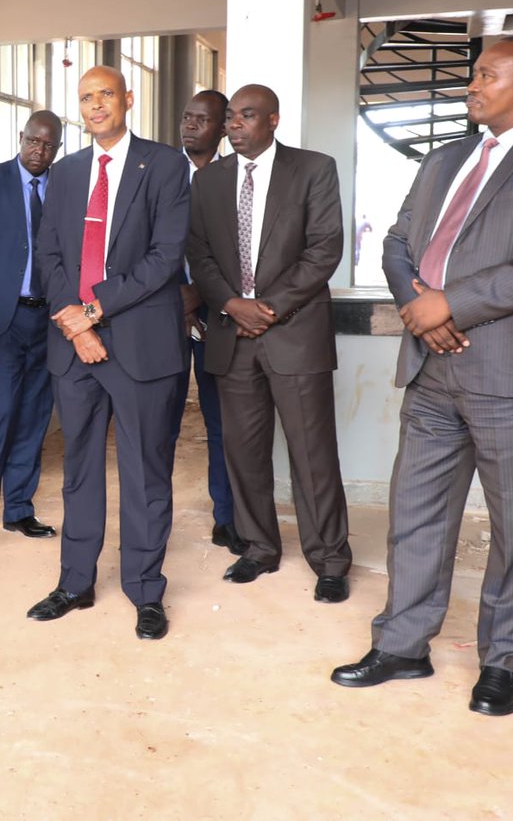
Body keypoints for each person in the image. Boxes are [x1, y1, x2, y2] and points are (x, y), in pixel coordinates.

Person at [331, 36, 513, 717]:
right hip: (432, 370)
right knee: (416, 512)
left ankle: (505, 662)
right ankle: (402, 644)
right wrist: (420, 311)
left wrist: (449, 304)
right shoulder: (445, 158)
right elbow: (399, 243)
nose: (472, 85)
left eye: (487, 75)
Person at [27, 65, 189, 641]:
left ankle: (146, 591)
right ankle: (75, 582)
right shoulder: (68, 173)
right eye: (85, 98)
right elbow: (49, 255)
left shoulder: (166, 164)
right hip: (75, 348)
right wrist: (77, 325)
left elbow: (166, 256)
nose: (95, 105)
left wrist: (94, 311)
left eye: (105, 95)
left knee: (146, 472)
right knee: (79, 470)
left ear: (128, 99)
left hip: (142, 344)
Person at [186, 84, 352, 602]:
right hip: (232, 335)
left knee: (312, 453)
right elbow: (199, 251)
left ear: (274, 120)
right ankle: (258, 548)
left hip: (294, 333)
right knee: (244, 450)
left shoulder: (313, 169)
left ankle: (329, 558)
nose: (235, 125)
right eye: (231, 117)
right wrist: (233, 305)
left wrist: (271, 307)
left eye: (247, 116)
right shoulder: (209, 181)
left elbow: (325, 249)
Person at [0, 111, 62, 545]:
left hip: (51, 319)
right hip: (1, 319)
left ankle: (19, 509)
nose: (39, 152)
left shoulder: (63, 188)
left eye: (48, 146)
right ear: (21, 138)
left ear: (57, 148)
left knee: (35, 416)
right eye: (33, 142)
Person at [171, 89, 242, 556]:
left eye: (203, 120)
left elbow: (245, 249)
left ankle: (228, 518)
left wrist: (205, 292)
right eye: (187, 116)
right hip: (165, 318)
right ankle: (151, 520)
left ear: (222, 129)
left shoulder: (237, 177)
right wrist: (176, 293)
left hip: (218, 318)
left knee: (224, 422)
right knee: (158, 423)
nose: (191, 125)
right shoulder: (158, 171)